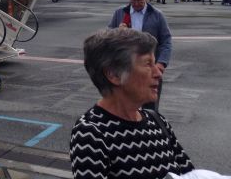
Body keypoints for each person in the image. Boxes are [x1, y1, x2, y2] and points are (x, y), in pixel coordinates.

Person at [70, 28, 195, 179]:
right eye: (148, 64)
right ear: (114, 74)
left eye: (154, 62)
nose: (158, 73)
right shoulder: (91, 133)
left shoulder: (157, 121)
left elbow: (191, 174)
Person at [108, 0, 172, 111]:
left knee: (150, 108)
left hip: (149, 69)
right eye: (133, 0)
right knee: (124, 106)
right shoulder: (119, 13)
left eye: (140, 0)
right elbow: (107, 38)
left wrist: (161, 63)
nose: (136, 4)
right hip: (125, 68)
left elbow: (166, 41)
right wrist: (117, 32)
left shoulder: (157, 15)